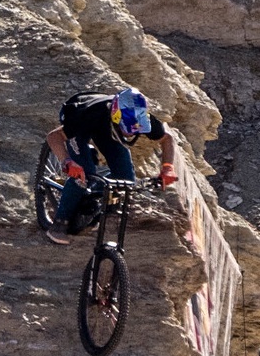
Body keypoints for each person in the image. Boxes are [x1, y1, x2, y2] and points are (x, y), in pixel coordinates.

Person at [42, 87, 180, 242]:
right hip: (80, 119)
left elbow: (166, 139)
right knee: (83, 173)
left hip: (107, 128)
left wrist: (168, 168)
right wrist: (67, 162)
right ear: (117, 116)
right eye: (127, 129)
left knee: (126, 178)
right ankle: (59, 223)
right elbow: (53, 136)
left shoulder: (140, 118)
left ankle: (89, 193)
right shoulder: (86, 115)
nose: (131, 134)